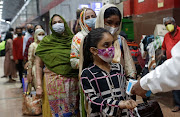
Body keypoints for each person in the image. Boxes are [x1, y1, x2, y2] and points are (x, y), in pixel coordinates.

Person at [80, 28, 137, 116]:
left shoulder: (118, 68)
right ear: (94, 50)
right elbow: (93, 101)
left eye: (112, 44)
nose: (111, 48)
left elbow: (125, 92)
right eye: (106, 45)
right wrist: (119, 104)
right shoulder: (87, 74)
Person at [35, 14, 79, 117]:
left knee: (74, 112)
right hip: (52, 87)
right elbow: (39, 66)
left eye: (60, 22)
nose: (57, 24)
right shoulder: (46, 42)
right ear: (50, 26)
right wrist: (38, 86)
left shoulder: (73, 40)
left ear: (65, 23)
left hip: (73, 86)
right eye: (54, 23)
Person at [95, 4, 136, 79]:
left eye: (117, 24)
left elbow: (129, 66)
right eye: (109, 22)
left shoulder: (120, 40)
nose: (113, 27)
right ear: (101, 20)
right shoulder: (92, 40)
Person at [158, 17, 180, 112]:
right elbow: (164, 47)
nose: (168, 26)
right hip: (172, 64)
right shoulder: (166, 36)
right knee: (175, 84)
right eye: (166, 25)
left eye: (169, 23)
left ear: (174, 24)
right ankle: (178, 104)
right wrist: (161, 54)